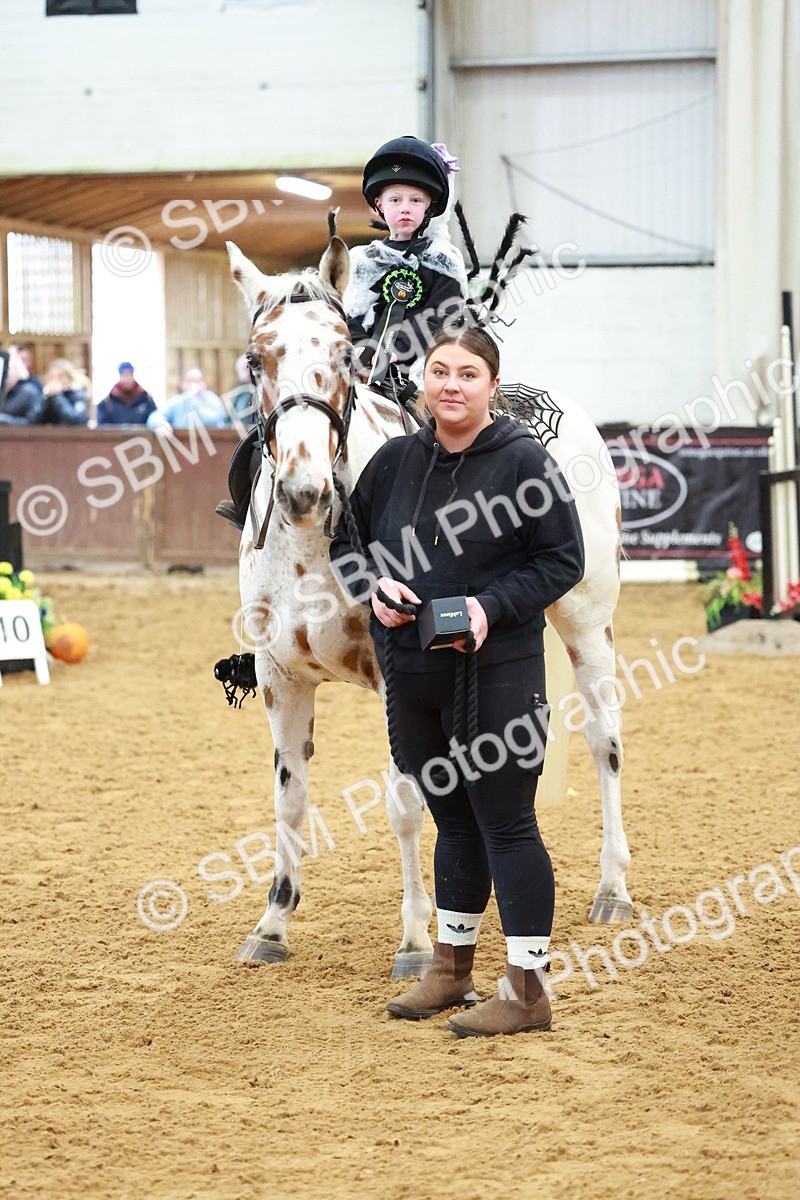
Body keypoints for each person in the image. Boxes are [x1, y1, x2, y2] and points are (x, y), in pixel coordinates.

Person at [329, 324, 585, 1038]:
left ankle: (529, 991)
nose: (451, 384)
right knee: (453, 821)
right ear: (424, 381)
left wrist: (487, 606)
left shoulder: (525, 463)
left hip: (499, 670)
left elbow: (563, 561)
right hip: (415, 671)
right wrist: (371, 587)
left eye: (467, 373)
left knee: (507, 823)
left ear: (492, 385)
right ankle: (452, 967)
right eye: (440, 370)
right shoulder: (393, 462)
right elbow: (346, 543)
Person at [343, 135, 467, 399]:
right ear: (379, 204)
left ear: (429, 207)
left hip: (421, 366)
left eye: (415, 201)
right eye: (395, 200)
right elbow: (350, 311)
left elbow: (441, 316)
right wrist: (359, 348)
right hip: (362, 366)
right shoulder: (365, 261)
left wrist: (398, 350)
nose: (405, 209)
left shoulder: (443, 260)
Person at [147, 367, 226, 433]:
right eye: (190, 381)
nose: (194, 384)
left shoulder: (213, 400)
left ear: (204, 384)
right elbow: (155, 416)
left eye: (198, 381)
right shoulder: (179, 401)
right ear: (183, 384)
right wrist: (159, 424)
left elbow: (214, 419)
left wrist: (193, 400)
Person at [35, 359, 90, 426]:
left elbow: (76, 421)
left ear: (69, 378)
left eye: (61, 376)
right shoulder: (48, 397)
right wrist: (45, 399)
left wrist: (57, 396)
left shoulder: (79, 395)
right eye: (52, 377)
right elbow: (34, 421)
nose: (56, 380)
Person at [0, 346, 45, 425]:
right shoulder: (3, 391)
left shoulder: (30, 391)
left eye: (9, 370)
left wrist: (4, 419)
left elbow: (32, 422)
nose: (5, 374)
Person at [223, 354, 256, 429]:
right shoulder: (237, 393)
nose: (248, 373)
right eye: (245, 369)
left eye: (250, 369)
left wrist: (245, 426)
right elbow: (227, 421)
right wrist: (232, 425)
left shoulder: (258, 392)